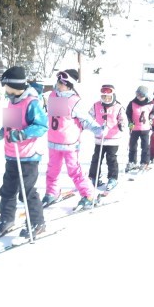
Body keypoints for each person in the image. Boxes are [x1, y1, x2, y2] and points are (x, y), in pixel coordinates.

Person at [0, 66, 49, 239]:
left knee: (26, 191)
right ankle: (6, 218)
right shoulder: (12, 101)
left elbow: (42, 126)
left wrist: (23, 134)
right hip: (12, 154)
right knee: (8, 189)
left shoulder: (31, 103)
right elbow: (9, 125)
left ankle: (37, 222)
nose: (5, 90)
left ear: (15, 85)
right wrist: (0, 134)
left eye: (7, 87)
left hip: (28, 156)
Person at [44, 69, 104, 210]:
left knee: (74, 170)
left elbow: (86, 120)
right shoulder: (53, 96)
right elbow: (55, 117)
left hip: (69, 144)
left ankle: (89, 195)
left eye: (62, 83)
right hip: (53, 141)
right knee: (52, 170)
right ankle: (52, 192)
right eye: (58, 82)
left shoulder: (74, 101)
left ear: (69, 85)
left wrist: (98, 129)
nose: (59, 85)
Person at [88, 84, 126, 192]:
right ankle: (94, 176)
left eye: (108, 97)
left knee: (111, 158)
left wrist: (121, 124)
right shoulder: (96, 105)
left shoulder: (118, 106)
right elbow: (89, 117)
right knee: (96, 158)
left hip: (113, 138)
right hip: (100, 137)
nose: (106, 99)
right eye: (104, 97)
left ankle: (112, 178)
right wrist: (92, 125)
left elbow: (122, 118)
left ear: (113, 96)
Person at [125, 85, 154, 171]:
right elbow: (128, 114)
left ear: (145, 95)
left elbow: (153, 112)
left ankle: (144, 162)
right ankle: (132, 162)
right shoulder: (132, 103)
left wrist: (151, 119)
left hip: (145, 128)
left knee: (145, 146)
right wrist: (130, 125)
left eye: (141, 95)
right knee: (132, 146)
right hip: (134, 128)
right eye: (137, 94)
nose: (139, 97)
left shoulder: (150, 103)